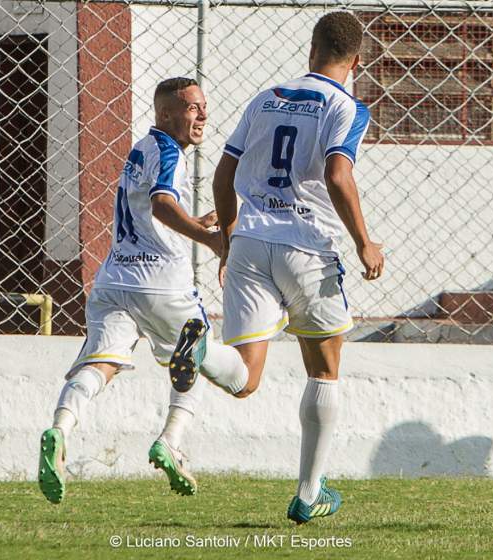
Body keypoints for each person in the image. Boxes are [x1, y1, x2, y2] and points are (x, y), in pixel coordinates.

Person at [168, 12, 384, 524]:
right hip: (306, 246)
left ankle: (202, 350)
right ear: (356, 61)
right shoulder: (347, 106)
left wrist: (226, 238)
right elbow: (337, 174)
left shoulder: (265, 98)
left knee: (244, 377)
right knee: (325, 369)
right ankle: (309, 494)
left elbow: (226, 171)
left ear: (311, 50)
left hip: (249, 242)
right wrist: (364, 242)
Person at [38, 77, 223, 504]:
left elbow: (149, 208)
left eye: (203, 106)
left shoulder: (143, 145)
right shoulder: (171, 151)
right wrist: (204, 235)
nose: (203, 115)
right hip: (160, 282)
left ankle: (59, 429)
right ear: (166, 114)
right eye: (193, 108)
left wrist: (195, 221)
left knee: (100, 365)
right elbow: (160, 202)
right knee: (196, 349)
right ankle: (171, 441)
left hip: (114, 277)